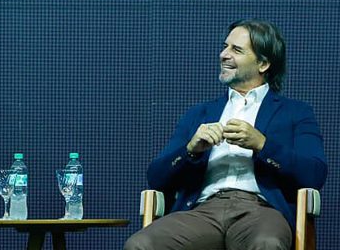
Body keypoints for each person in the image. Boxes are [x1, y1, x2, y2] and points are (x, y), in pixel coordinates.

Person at [124, 19, 326, 250]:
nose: (223, 54)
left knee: (267, 244)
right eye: (225, 46)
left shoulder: (295, 113)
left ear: (263, 64)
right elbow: (156, 177)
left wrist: (262, 144)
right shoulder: (200, 113)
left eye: (236, 50)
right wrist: (190, 150)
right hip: (203, 211)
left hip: (261, 211)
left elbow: (314, 173)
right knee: (141, 244)